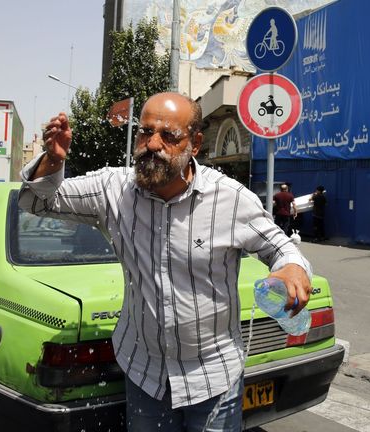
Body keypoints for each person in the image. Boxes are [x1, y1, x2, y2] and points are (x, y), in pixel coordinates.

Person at [19, 92, 312, 432]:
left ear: (196, 143)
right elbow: (37, 203)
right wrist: (52, 162)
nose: (152, 144)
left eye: (168, 136)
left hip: (214, 376)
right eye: (145, 132)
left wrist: (291, 267)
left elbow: (281, 248)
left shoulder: (230, 200)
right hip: (145, 374)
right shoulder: (113, 189)